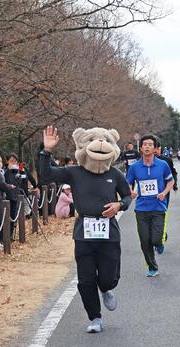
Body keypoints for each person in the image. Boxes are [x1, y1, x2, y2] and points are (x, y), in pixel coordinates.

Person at [39, 125, 132, 333]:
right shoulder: (74, 173)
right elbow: (45, 176)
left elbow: (127, 196)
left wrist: (119, 205)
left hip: (109, 231)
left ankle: (106, 288)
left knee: (109, 276)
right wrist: (46, 151)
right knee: (85, 279)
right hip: (84, 232)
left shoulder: (115, 174)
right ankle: (95, 318)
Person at [126, 134, 174, 277]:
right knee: (144, 240)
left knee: (155, 239)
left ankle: (159, 242)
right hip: (141, 208)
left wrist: (164, 193)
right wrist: (131, 192)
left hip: (158, 207)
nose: (147, 146)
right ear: (140, 148)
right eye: (144, 144)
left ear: (155, 149)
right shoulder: (134, 167)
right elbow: (128, 182)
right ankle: (152, 267)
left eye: (150, 144)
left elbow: (170, 181)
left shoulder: (162, 165)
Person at [4, 153, 22, 237]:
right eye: (11, 161)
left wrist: (21, 171)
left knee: (14, 215)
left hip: (16, 196)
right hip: (6, 197)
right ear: (7, 161)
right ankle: (6, 235)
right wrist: (8, 170)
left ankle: (11, 234)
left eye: (15, 161)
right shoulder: (4, 170)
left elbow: (22, 181)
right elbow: (3, 182)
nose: (13, 163)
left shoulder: (18, 170)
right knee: (7, 216)